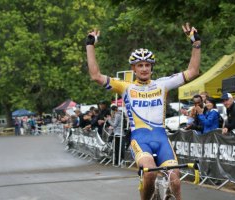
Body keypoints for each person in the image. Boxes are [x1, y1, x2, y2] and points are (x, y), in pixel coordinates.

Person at [86, 22, 201, 200]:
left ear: (152, 67)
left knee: (176, 181)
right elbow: (95, 75)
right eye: (140, 65)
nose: (144, 68)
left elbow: (193, 71)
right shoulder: (126, 87)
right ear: (133, 68)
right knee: (150, 174)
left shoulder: (162, 84)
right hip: (140, 140)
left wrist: (196, 42)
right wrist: (90, 45)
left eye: (147, 65)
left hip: (161, 139)